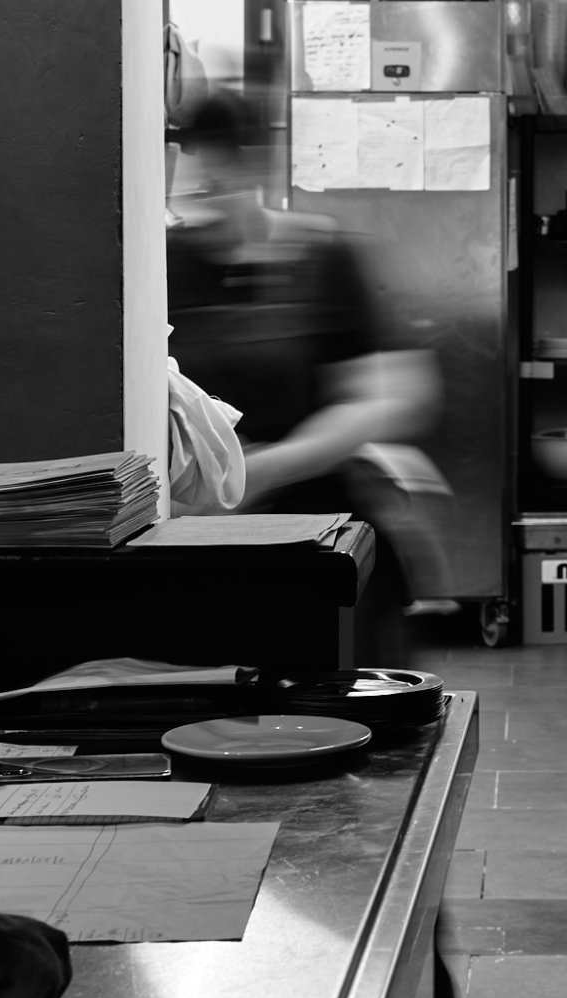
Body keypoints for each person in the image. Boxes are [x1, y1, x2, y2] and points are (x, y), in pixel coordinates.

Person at [165, 88, 440, 665]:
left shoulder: (321, 257)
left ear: (260, 165)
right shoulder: (165, 265)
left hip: (317, 538)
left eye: (230, 163)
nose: (216, 184)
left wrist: (260, 471)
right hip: (197, 546)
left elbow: (398, 394)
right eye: (202, 166)